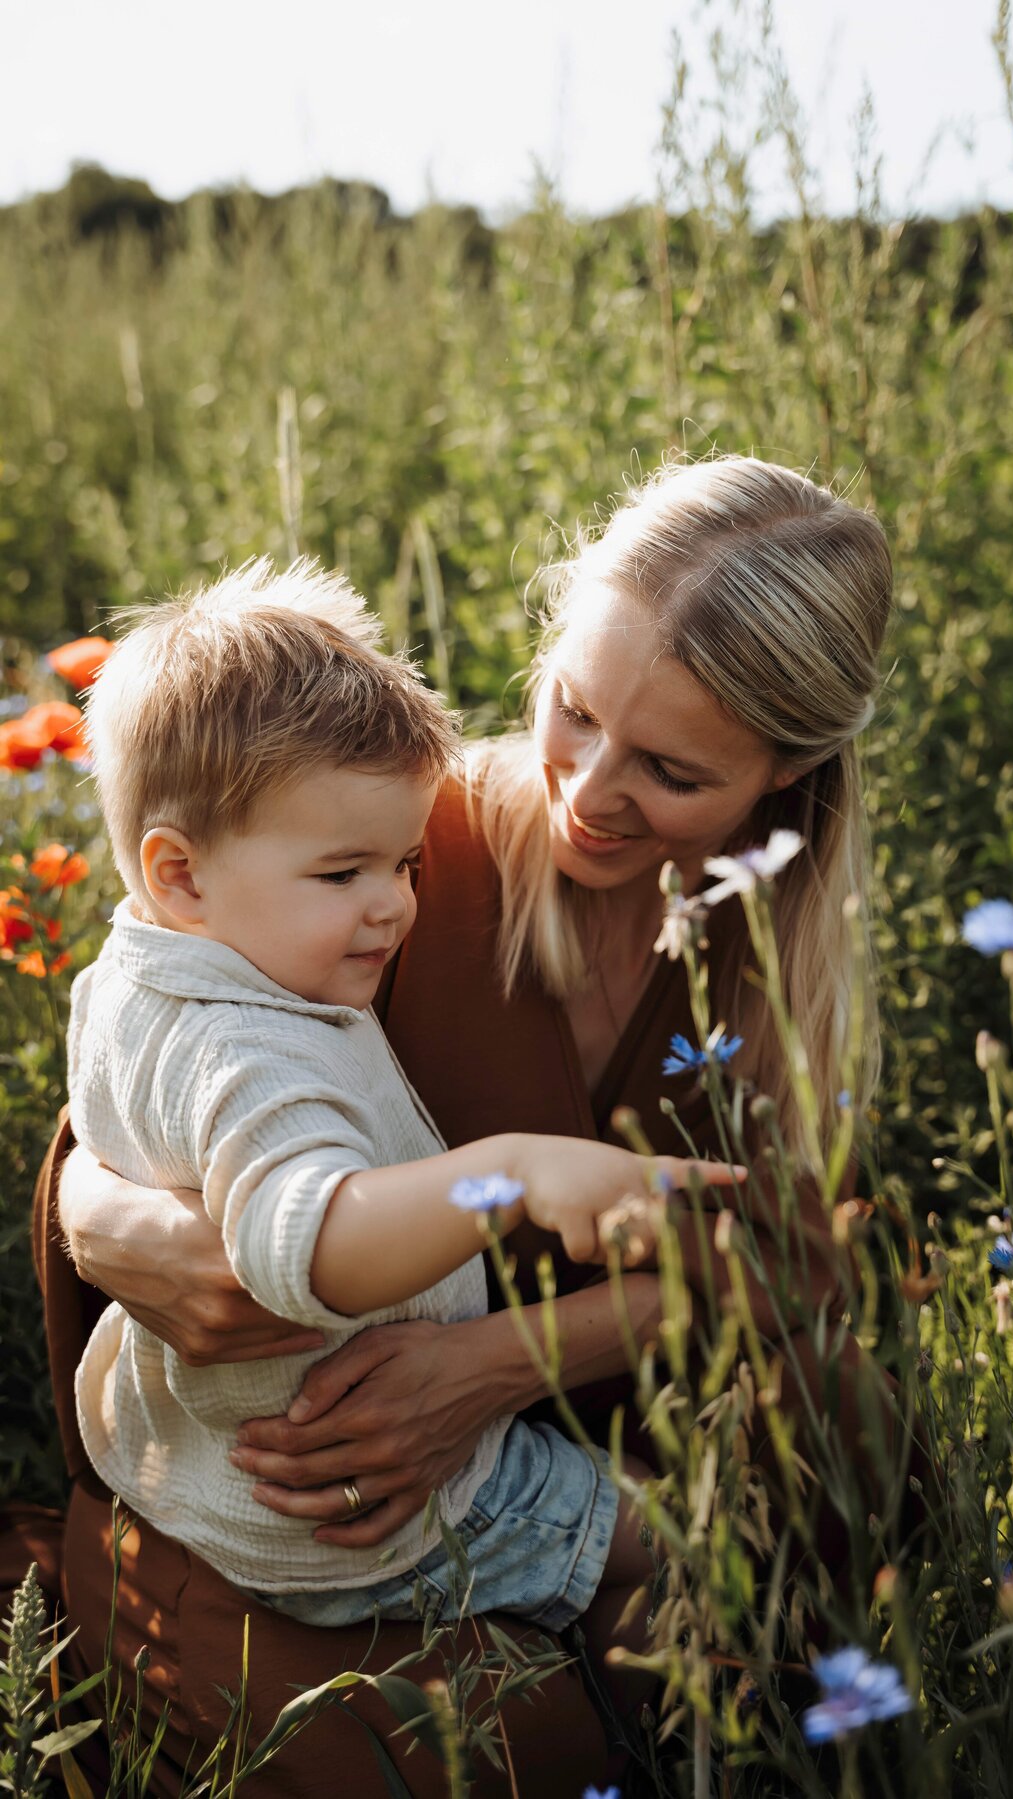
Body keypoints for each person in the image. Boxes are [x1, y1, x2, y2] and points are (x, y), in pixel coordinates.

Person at [36, 455, 904, 1797]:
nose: (591, 790)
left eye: (671, 769)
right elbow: (165, 1055)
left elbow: (784, 1257)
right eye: (576, 712)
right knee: (443, 1743)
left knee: (816, 1499)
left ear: (783, 773)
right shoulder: (386, 843)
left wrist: (492, 1364)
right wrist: (107, 1220)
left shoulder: (773, 956)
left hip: (600, 1428)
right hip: (320, 1441)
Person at [68, 562, 739, 1671]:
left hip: (228, 1456)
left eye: (408, 863)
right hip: (360, 1488)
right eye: (344, 874)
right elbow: (311, 1244)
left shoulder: (150, 960)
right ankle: (664, 1705)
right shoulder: (251, 1049)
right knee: (690, 1544)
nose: (396, 904)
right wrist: (513, 1172)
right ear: (178, 874)